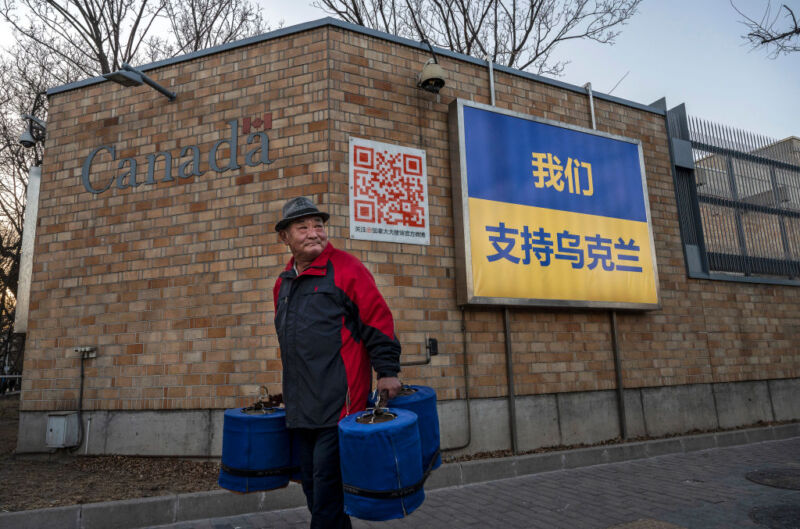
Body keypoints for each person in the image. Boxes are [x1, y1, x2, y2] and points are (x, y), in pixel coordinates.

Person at [273, 196, 402, 529]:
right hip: (301, 409)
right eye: (303, 227)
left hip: (340, 406)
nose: (314, 233)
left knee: (327, 497)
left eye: (319, 225)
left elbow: (377, 320)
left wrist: (387, 371)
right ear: (285, 237)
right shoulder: (283, 284)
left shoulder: (346, 269)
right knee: (316, 494)